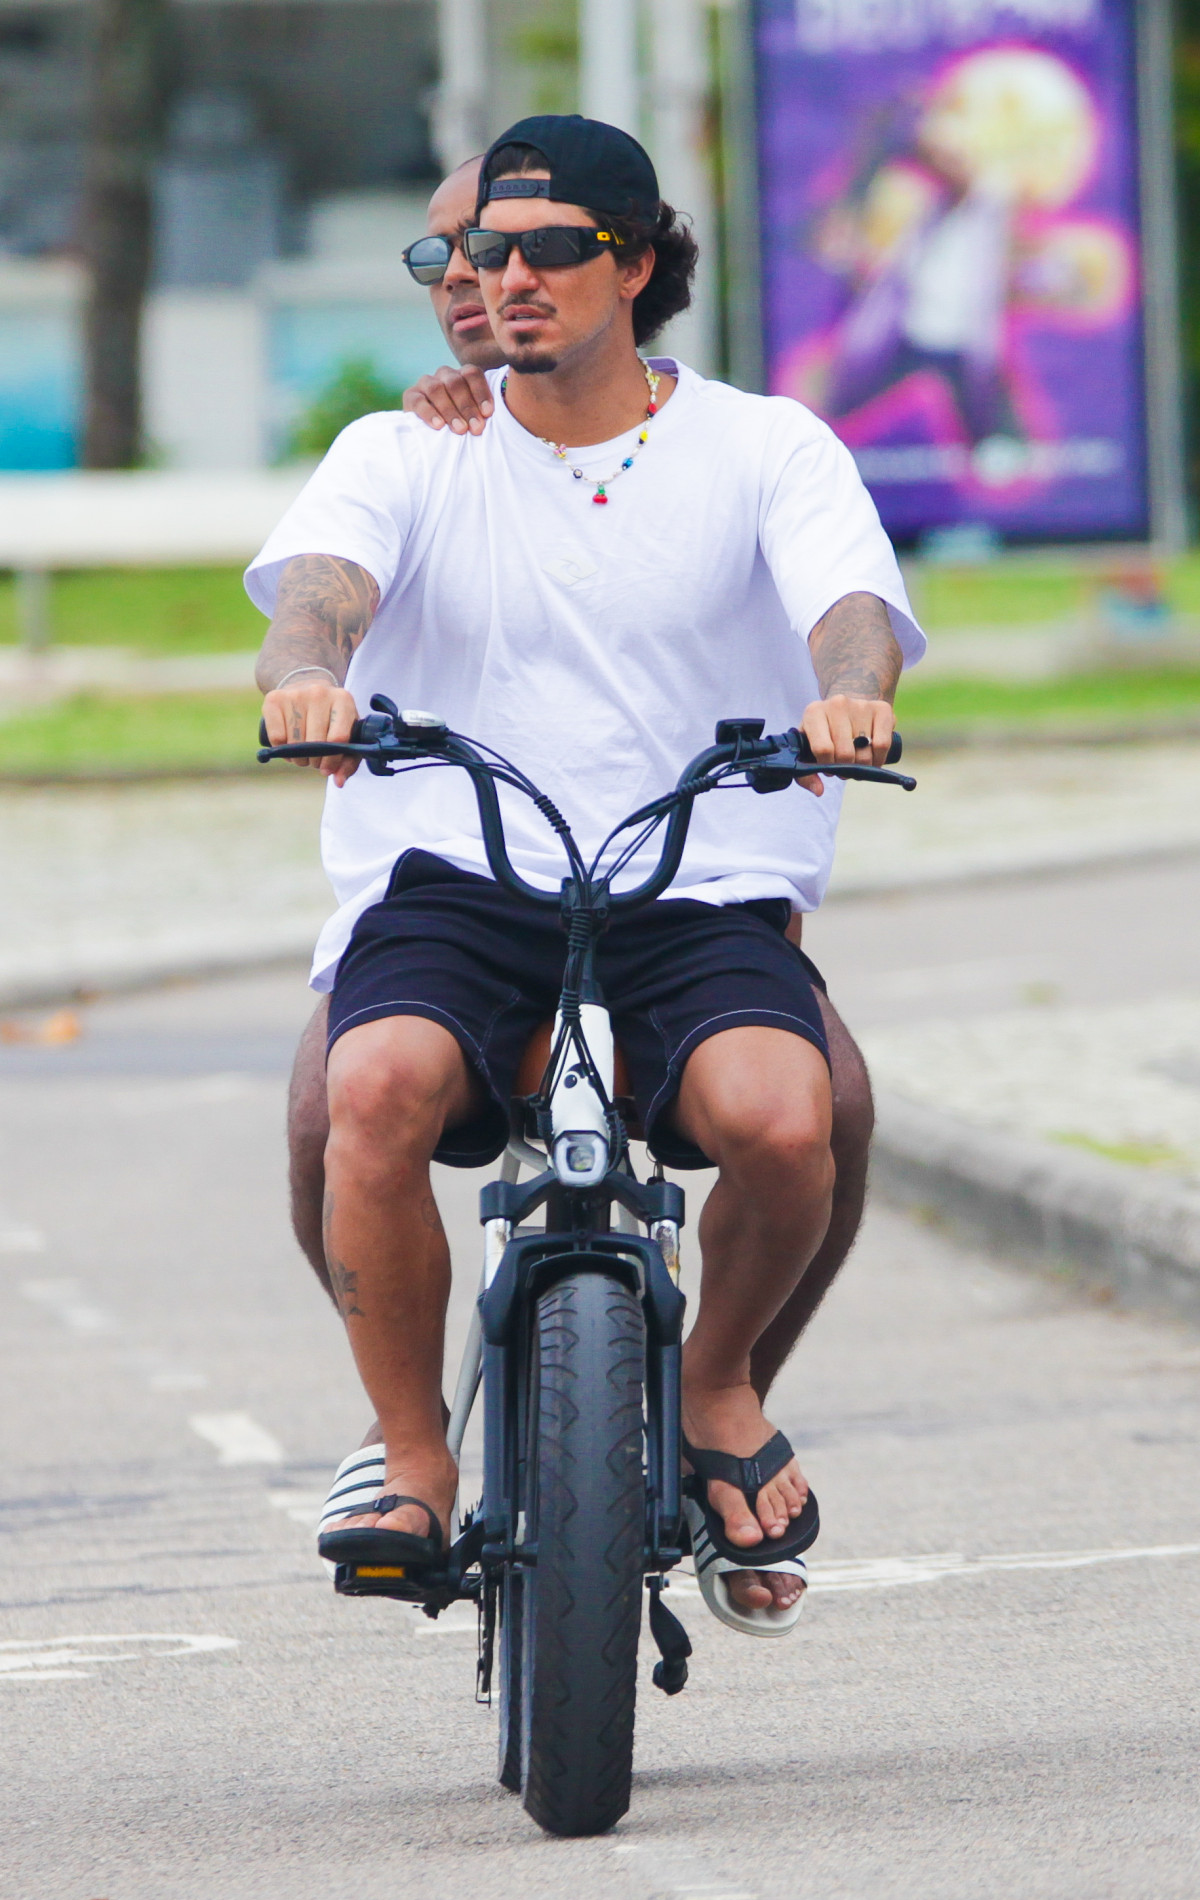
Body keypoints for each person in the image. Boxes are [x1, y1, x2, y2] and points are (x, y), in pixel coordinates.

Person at [250, 114, 924, 1632]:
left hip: (693, 880)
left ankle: (718, 1386)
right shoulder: (410, 439)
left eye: (543, 250)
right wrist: (303, 674)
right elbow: (319, 592)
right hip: (457, 878)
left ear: (634, 265)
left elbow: (851, 603)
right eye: (474, 252)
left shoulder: (767, 442)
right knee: (356, 1093)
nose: (496, 280)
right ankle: (410, 1445)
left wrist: (853, 690)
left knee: (794, 1111)